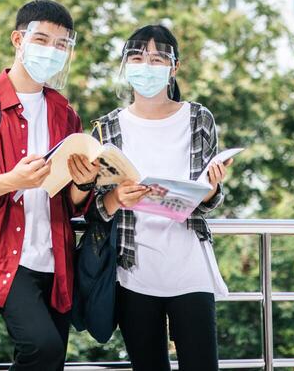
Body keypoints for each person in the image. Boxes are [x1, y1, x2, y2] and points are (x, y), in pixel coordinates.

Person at [0, 0, 99, 371]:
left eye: (61, 45)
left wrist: (85, 182)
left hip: (57, 258)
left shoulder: (64, 111)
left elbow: (72, 202)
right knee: (41, 349)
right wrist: (11, 180)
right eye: (42, 39)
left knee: (50, 358)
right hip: (9, 255)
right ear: (17, 39)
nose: (52, 51)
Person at [91, 24, 233, 371]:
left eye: (157, 59)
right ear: (126, 65)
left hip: (189, 264)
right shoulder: (106, 127)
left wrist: (211, 189)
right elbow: (97, 205)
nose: (147, 66)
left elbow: (208, 198)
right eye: (138, 57)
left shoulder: (199, 117)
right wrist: (117, 198)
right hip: (133, 268)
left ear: (174, 67)